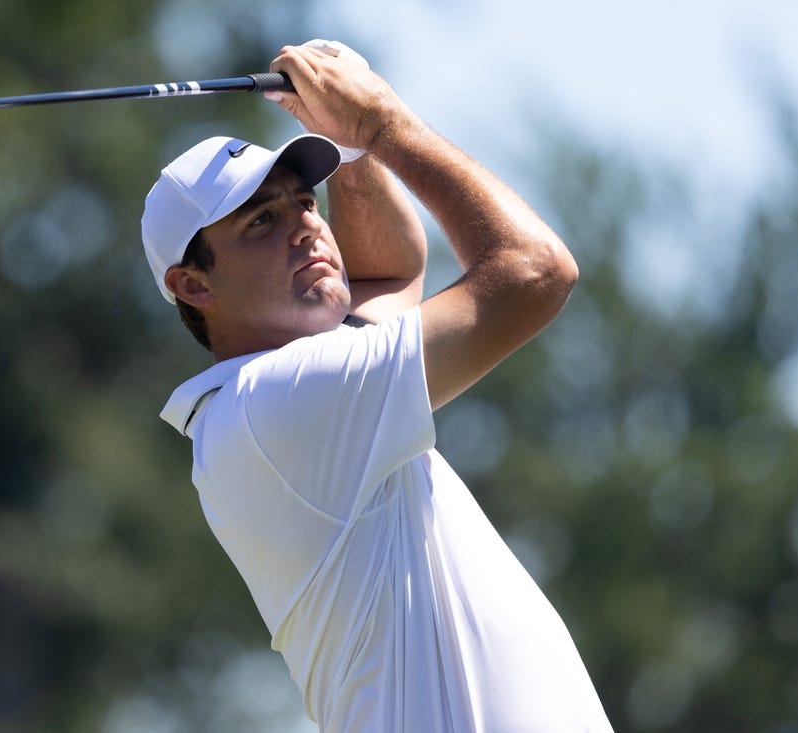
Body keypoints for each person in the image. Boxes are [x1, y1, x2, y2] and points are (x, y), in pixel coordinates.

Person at [140, 39, 614, 733]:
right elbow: (535, 272)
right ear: (192, 284)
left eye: (306, 202)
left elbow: (387, 275)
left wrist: (348, 149)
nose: (308, 228)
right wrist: (385, 127)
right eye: (262, 221)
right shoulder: (277, 402)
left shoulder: (284, 393)